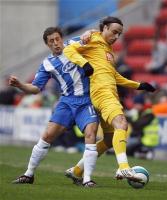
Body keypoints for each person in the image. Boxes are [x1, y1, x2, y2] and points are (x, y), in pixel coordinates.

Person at [63, 16, 156, 182]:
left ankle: (77, 171)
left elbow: (114, 76)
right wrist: (84, 63)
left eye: (119, 34)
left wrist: (139, 85)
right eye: (114, 32)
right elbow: (68, 50)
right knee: (122, 123)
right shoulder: (92, 39)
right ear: (104, 28)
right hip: (102, 93)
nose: (116, 37)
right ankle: (124, 168)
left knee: (108, 139)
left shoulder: (109, 51)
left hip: (107, 94)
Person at [9, 27, 99, 187]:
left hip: (86, 100)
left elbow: (96, 34)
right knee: (47, 136)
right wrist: (19, 85)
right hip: (66, 102)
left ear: (62, 38)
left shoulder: (74, 43)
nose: (56, 43)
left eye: (57, 39)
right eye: (51, 41)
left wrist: (90, 32)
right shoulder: (47, 63)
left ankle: (87, 179)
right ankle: (28, 174)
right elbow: (36, 88)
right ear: (47, 44)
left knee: (90, 134)